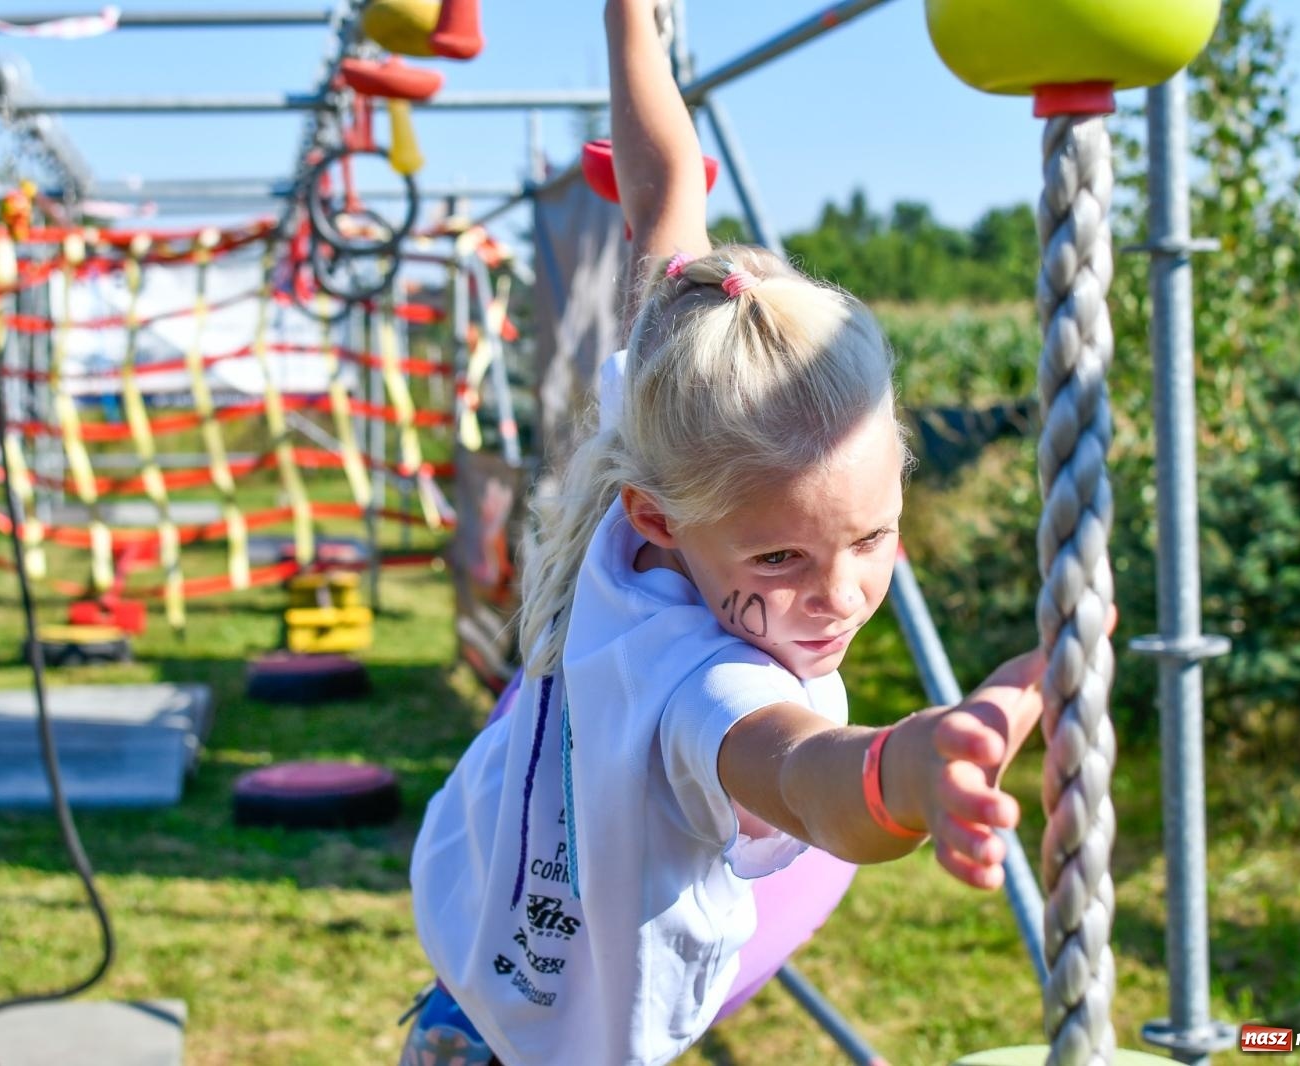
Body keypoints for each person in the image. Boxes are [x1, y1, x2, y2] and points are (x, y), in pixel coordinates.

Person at [401, 2, 1051, 1063]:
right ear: (656, 514)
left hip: (474, 969)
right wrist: (913, 766)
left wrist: (629, 28)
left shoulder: (662, 425)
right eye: (782, 558)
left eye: (870, 538)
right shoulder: (702, 683)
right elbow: (804, 775)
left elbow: (660, 196)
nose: (838, 595)